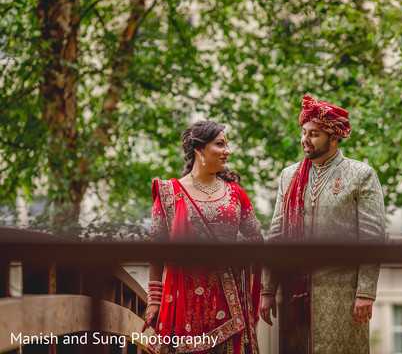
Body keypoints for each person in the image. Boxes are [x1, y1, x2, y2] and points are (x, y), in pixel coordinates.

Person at [259, 95, 386, 353]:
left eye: (314, 134)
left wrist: (365, 292)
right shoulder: (289, 175)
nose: (305, 140)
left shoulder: (361, 174)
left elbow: (373, 237)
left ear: (335, 137)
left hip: (343, 293)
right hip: (296, 291)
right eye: (304, 132)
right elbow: (276, 235)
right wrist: (268, 288)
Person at [144, 121, 263, 354]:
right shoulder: (170, 193)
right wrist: (154, 299)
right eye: (220, 144)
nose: (227, 151)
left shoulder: (235, 192)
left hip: (229, 304)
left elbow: (256, 239)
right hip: (182, 302)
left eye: (227, 145)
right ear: (199, 150)